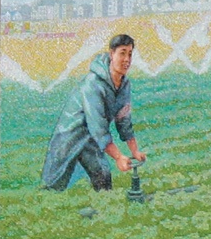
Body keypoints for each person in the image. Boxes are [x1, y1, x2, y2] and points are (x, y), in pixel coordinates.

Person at [41, 33, 143, 191]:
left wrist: (134, 151)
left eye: (130, 54)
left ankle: (103, 210)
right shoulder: (92, 85)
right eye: (122, 53)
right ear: (111, 54)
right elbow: (98, 127)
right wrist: (118, 157)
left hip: (90, 138)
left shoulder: (124, 85)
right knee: (55, 183)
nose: (127, 59)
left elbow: (124, 120)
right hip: (70, 136)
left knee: (103, 176)